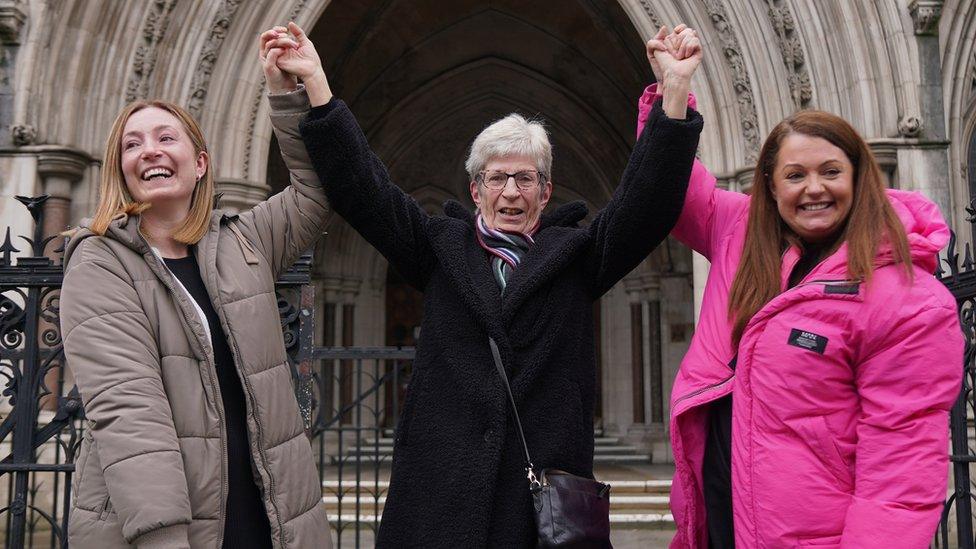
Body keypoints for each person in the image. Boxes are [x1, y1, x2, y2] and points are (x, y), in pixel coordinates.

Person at [259, 21, 704, 547]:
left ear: (546, 190)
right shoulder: (437, 248)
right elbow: (365, 188)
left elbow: (645, 207)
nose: (511, 192)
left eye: (526, 178)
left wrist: (673, 93)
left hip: (538, 511)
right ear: (476, 189)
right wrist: (317, 86)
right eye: (497, 178)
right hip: (438, 503)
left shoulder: (579, 259)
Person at [640, 26, 964, 549]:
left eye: (830, 171)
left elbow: (899, 477)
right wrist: (672, 95)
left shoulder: (908, 301)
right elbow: (666, 193)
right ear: (769, 184)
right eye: (795, 175)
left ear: (860, 179)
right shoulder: (740, 232)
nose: (814, 188)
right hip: (717, 528)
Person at [59, 29, 333, 549]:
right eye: (132, 144)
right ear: (121, 169)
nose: (150, 151)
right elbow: (130, 413)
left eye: (167, 137)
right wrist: (165, 539)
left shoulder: (243, 240)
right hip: (166, 527)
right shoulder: (99, 261)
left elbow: (320, 187)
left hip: (270, 515)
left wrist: (298, 91)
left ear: (201, 162)